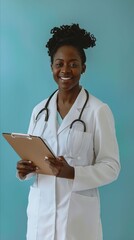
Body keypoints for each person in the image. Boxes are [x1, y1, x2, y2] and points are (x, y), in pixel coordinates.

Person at [17, 23, 120, 240]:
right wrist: (25, 170)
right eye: (59, 64)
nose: (65, 71)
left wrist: (73, 173)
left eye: (73, 64)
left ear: (84, 67)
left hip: (77, 222)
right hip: (40, 220)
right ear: (51, 67)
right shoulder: (39, 111)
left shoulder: (98, 111)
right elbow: (33, 158)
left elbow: (112, 167)